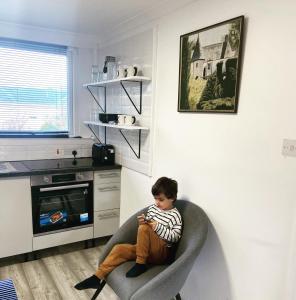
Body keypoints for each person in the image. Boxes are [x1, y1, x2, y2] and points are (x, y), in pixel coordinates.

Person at [74, 176, 182, 291]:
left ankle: (140, 264)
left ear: (172, 198)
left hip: (161, 253)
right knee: (119, 249)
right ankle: (96, 278)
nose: (157, 203)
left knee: (144, 229)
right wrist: (143, 222)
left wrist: (157, 227)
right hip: (145, 250)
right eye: (155, 199)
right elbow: (146, 230)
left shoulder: (175, 216)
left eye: (161, 200)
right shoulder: (152, 209)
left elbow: (175, 238)